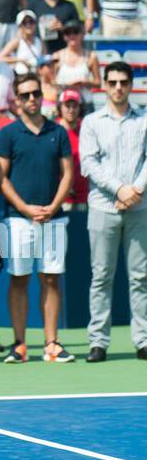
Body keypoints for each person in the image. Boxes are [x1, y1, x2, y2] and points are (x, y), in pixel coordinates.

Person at [0, 71, 74, 364]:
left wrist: (53, 206)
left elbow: (67, 174)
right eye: (26, 95)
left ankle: (51, 344)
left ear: (42, 96)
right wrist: (26, 209)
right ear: (17, 100)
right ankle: (19, 345)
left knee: (51, 280)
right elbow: (1, 179)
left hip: (54, 219)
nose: (32, 99)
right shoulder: (7, 134)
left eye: (36, 94)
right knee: (19, 279)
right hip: (18, 219)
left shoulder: (59, 132)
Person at [80, 61, 147, 361]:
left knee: (140, 277)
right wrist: (121, 189)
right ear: (104, 85)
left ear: (131, 85)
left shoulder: (144, 120)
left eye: (123, 82)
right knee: (101, 276)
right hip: (103, 207)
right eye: (113, 82)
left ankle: (143, 341)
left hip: (139, 207)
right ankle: (98, 342)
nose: (118, 87)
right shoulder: (92, 122)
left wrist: (136, 190)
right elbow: (89, 163)